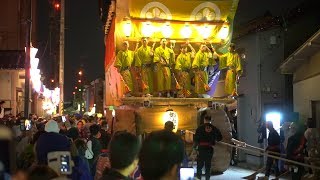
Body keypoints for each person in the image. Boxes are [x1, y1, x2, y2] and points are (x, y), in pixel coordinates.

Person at [194, 115, 222, 180]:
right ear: (211, 120)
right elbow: (220, 138)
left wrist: (195, 147)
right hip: (209, 149)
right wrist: (214, 139)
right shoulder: (214, 128)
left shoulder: (199, 128)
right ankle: (207, 178)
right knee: (208, 165)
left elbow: (195, 139)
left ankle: (198, 178)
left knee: (199, 165)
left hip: (201, 148)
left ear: (204, 120)